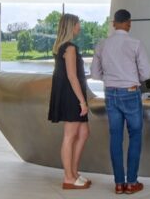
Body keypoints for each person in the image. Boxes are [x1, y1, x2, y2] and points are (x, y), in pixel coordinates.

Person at [90, 9, 150, 195]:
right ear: (129, 23)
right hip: (131, 93)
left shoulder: (103, 44)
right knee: (135, 137)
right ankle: (131, 183)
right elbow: (146, 74)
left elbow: (94, 74)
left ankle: (118, 184)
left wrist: (110, 79)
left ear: (114, 23)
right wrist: (131, 77)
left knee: (115, 138)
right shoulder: (135, 44)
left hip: (110, 94)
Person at [48, 13, 92, 190]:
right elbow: (72, 77)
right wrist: (82, 101)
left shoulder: (62, 47)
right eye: (78, 23)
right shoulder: (70, 48)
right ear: (71, 26)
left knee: (83, 133)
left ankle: (74, 172)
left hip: (71, 94)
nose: (80, 26)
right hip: (72, 96)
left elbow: (73, 75)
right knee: (70, 135)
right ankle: (68, 177)